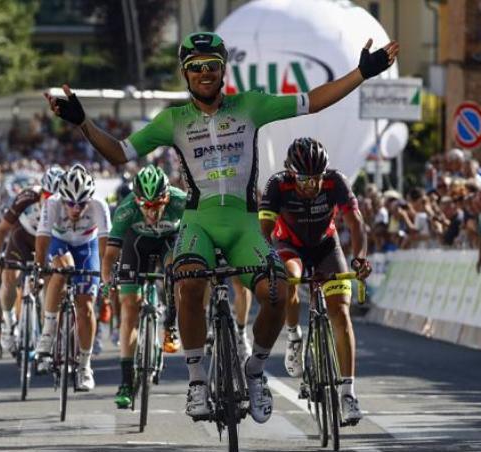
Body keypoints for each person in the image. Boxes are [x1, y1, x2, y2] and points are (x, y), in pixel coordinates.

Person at [44, 31, 398, 423]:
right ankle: (197, 380)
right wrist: (82, 123)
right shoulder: (173, 120)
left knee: (279, 291)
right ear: (185, 74)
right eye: (195, 68)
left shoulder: (251, 105)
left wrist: (361, 73)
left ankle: (256, 370)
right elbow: (120, 152)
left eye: (212, 65)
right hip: (200, 223)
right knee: (190, 283)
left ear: (223, 69)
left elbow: (313, 101)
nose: (204, 73)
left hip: (245, 224)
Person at [258, 138, 372, 425]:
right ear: (291, 173)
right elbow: (264, 232)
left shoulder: (336, 182)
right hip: (289, 246)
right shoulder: (277, 184)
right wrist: (268, 262)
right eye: (304, 180)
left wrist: (359, 259)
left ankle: (348, 394)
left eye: (316, 179)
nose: (311, 186)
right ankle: (294, 336)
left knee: (341, 313)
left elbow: (356, 223)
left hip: (326, 247)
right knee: (292, 279)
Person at [101, 165, 186, 409]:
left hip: (169, 242)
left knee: (176, 272)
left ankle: (171, 325)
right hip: (136, 245)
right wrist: (107, 281)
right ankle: (126, 382)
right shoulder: (126, 209)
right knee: (129, 307)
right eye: (145, 206)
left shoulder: (181, 201)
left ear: (167, 198)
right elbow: (110, 255)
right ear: (136, 201)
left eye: (157, 205)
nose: (151, 212)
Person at [34, 164, 110, 391]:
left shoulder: (99, 204)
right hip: (60, 242)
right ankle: (47, 334)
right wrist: (40, 268)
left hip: (87, 246)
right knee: (62, 269)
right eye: (70, 203)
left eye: (81, 203)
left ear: (90, 198)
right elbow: (42, 239)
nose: (75, 209)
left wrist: (105, 275)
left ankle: (85, 366)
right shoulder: (52, 203)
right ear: (62, 198)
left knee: (86, 306)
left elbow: (106, 245)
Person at [0, 166, 64, 354]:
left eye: (56, 196)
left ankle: (45, 337)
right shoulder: (28, 196)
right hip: (23, 237)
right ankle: (9, 323)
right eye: (47, 194)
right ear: (41, 190)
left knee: (50, 285)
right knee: (9, 279)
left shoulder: (66, 204)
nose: (51, 200)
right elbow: (1, 230)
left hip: (48, 241)